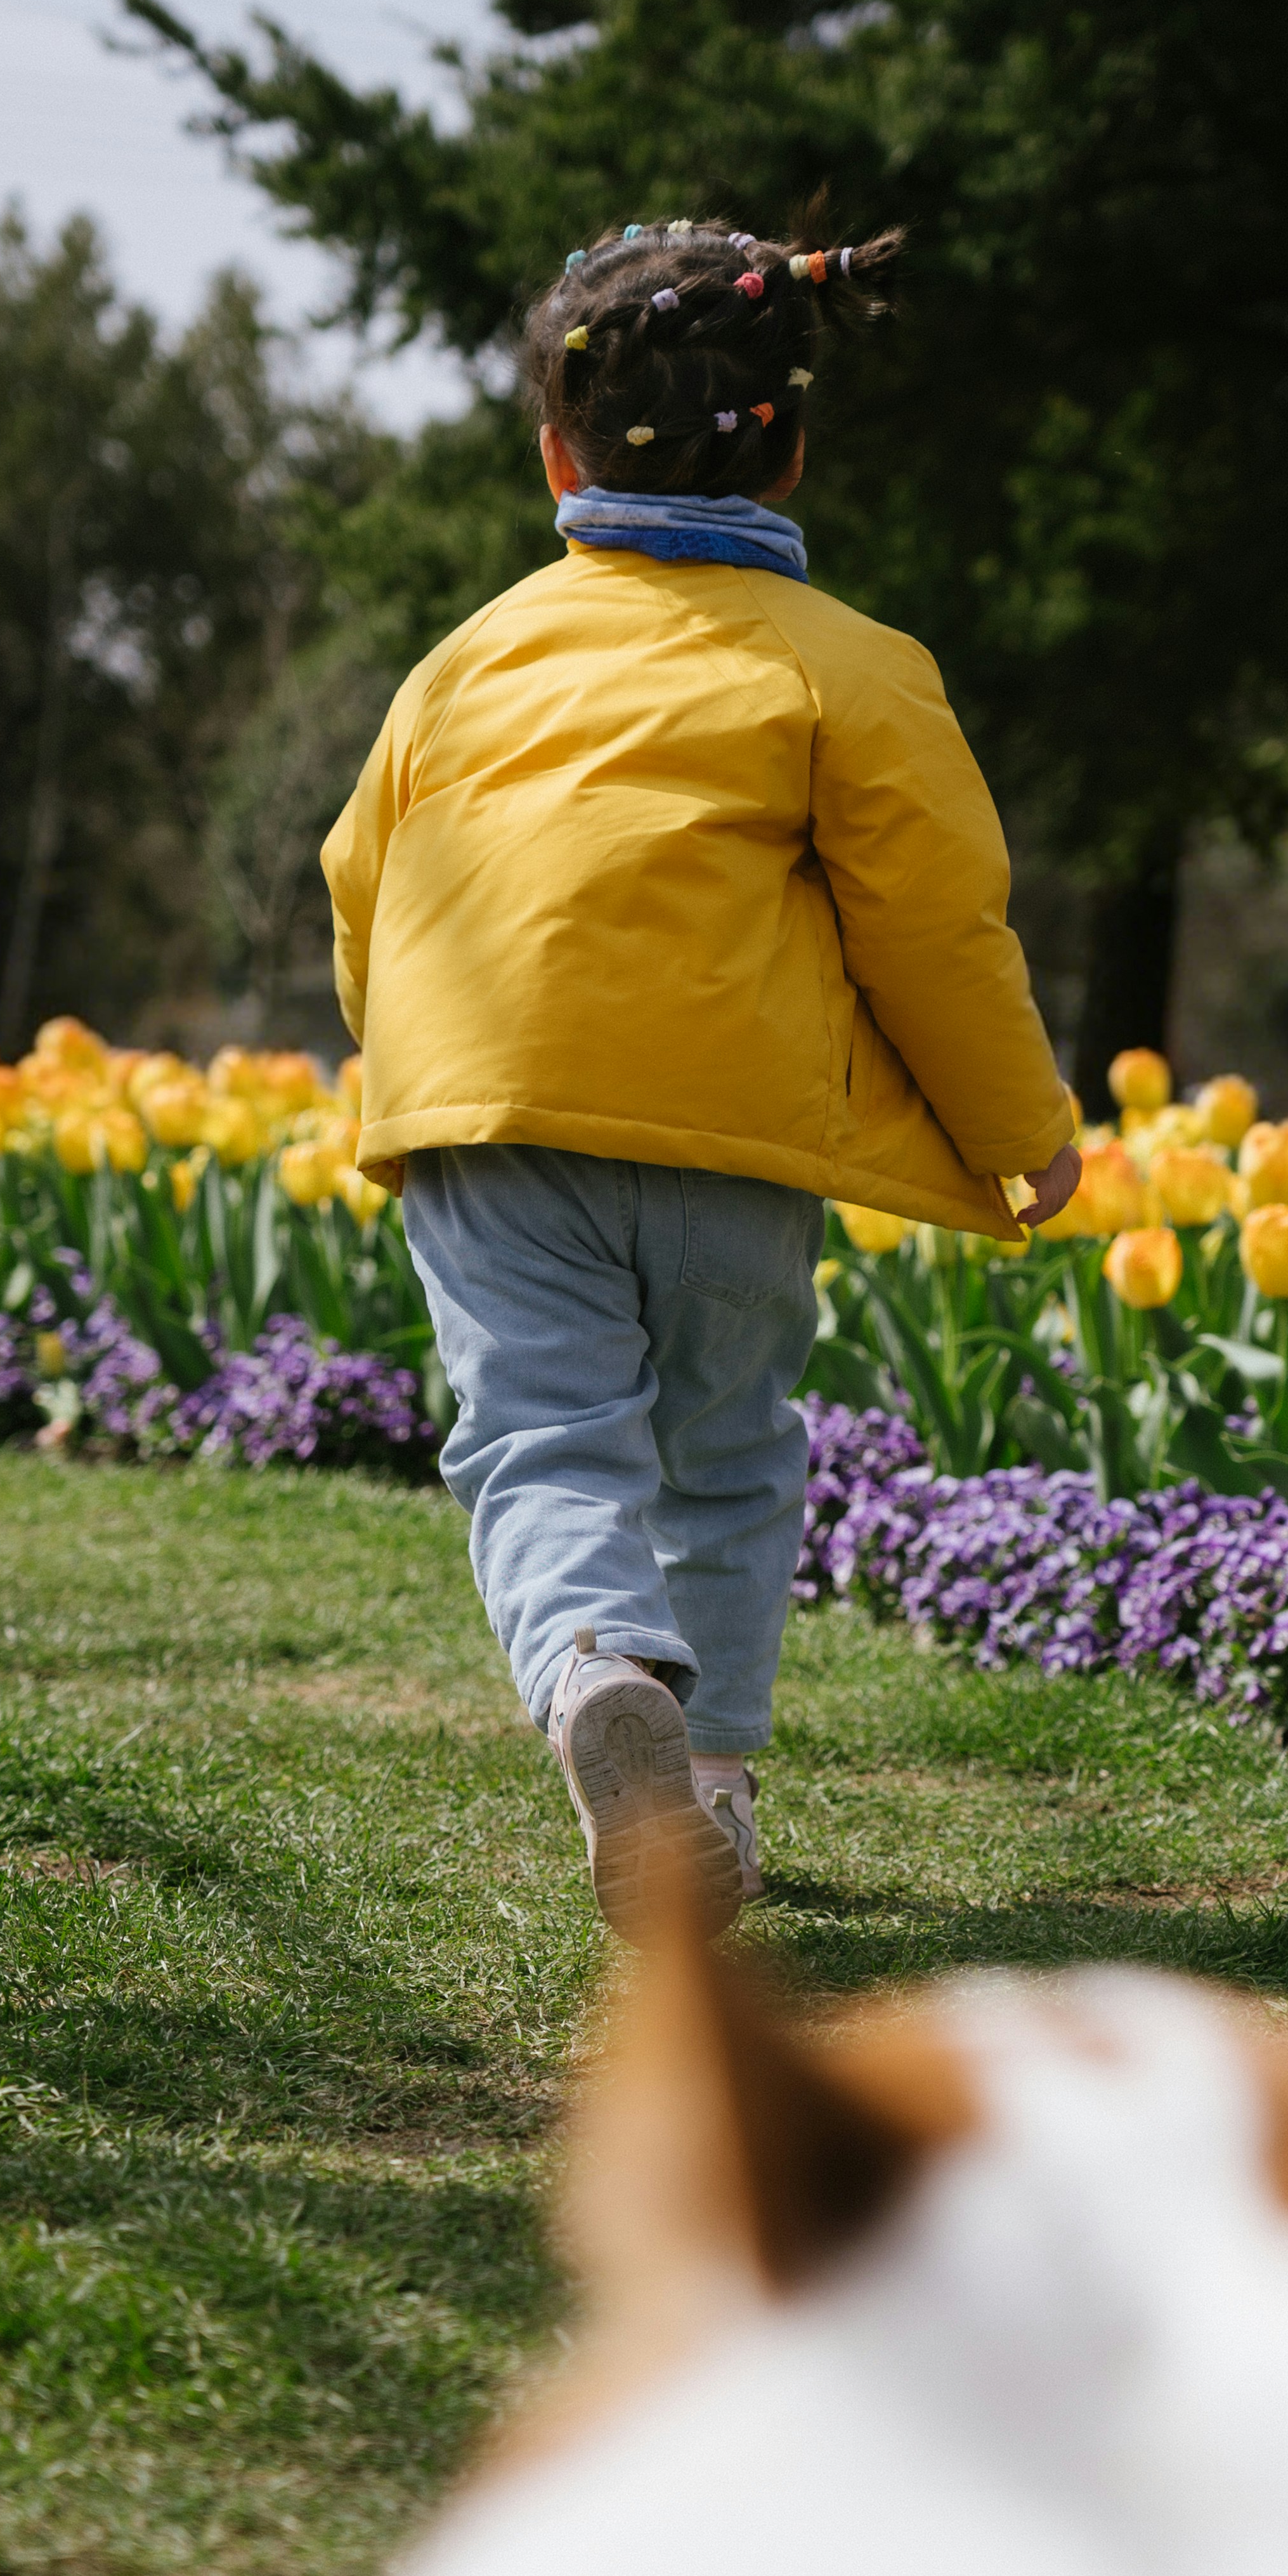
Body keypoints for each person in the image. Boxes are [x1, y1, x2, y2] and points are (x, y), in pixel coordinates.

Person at [322, 216, 1080, 1937]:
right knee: (730, 1450)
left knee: (541, 1437)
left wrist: (412, 1052)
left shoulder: (469, 658)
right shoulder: (853, 672)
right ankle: (713, 1791)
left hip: (494, 1111)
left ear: (551, 454)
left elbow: (363, 877)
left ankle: (598, 1665)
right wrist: (1018, 1132)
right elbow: (935, 933)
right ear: (795, 447)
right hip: (733, 1132)